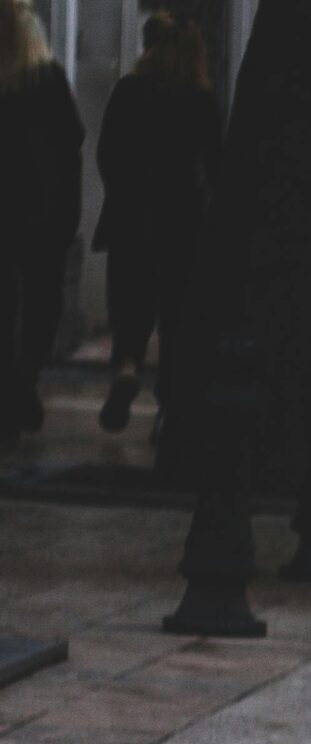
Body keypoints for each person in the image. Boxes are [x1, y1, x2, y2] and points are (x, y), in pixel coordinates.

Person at [91, 11, 222, 433]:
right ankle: (168, 406)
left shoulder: (128, 90)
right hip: (182, 218)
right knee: (176, 316)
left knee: (129, 303)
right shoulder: (200, 97)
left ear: (147, 47)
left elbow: (106, 150)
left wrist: (119, 190)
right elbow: (217, 163)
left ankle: (127, 367)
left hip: (131, 215)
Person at [0, 0, 84, 446]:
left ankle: (10, 392)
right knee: (41, 305)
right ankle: (22, 379)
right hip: (42, 214)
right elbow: (72, 145)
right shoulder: (48, 81)